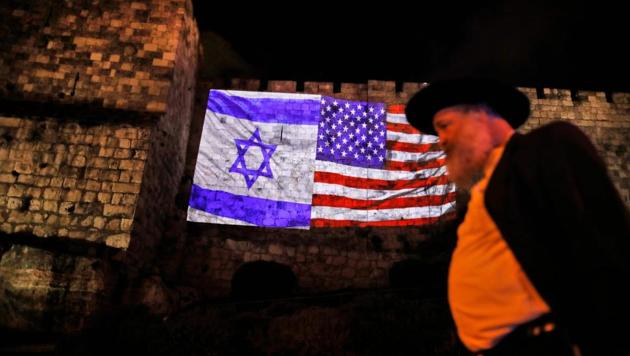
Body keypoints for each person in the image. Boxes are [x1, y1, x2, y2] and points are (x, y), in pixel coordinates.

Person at [404, 77, 630, 356]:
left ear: (479, 114)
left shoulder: (548, 147)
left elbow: (606, 247)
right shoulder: (481, 196)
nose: (442, 140)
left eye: (445, 125)